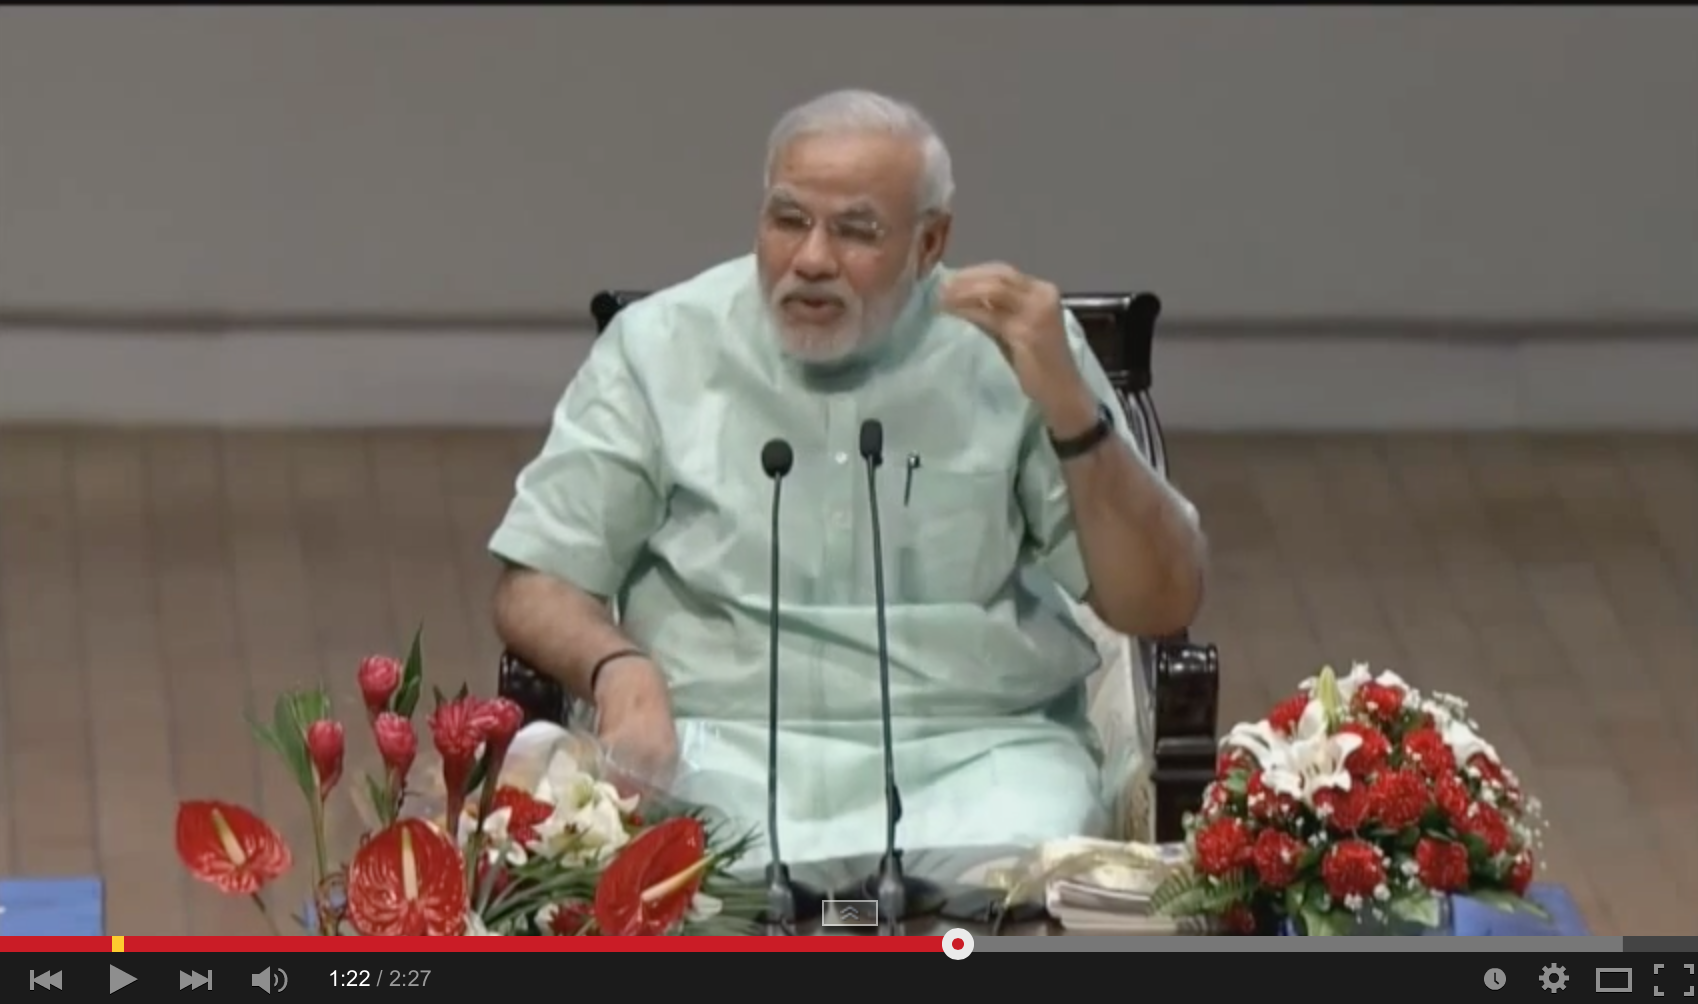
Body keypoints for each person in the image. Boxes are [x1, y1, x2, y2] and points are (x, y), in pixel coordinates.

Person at [489, 89, 1206, 891]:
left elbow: (1159, 603)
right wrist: (617, 666)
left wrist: (1072, 411)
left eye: (856, 230)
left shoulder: (1007, 351)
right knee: (667, 874)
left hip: (976, 757)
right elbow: (536, 579)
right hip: (719, 752)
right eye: (788, 219)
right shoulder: (661, 346)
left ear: (930, 243)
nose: (812, 259)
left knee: (1025, 874)